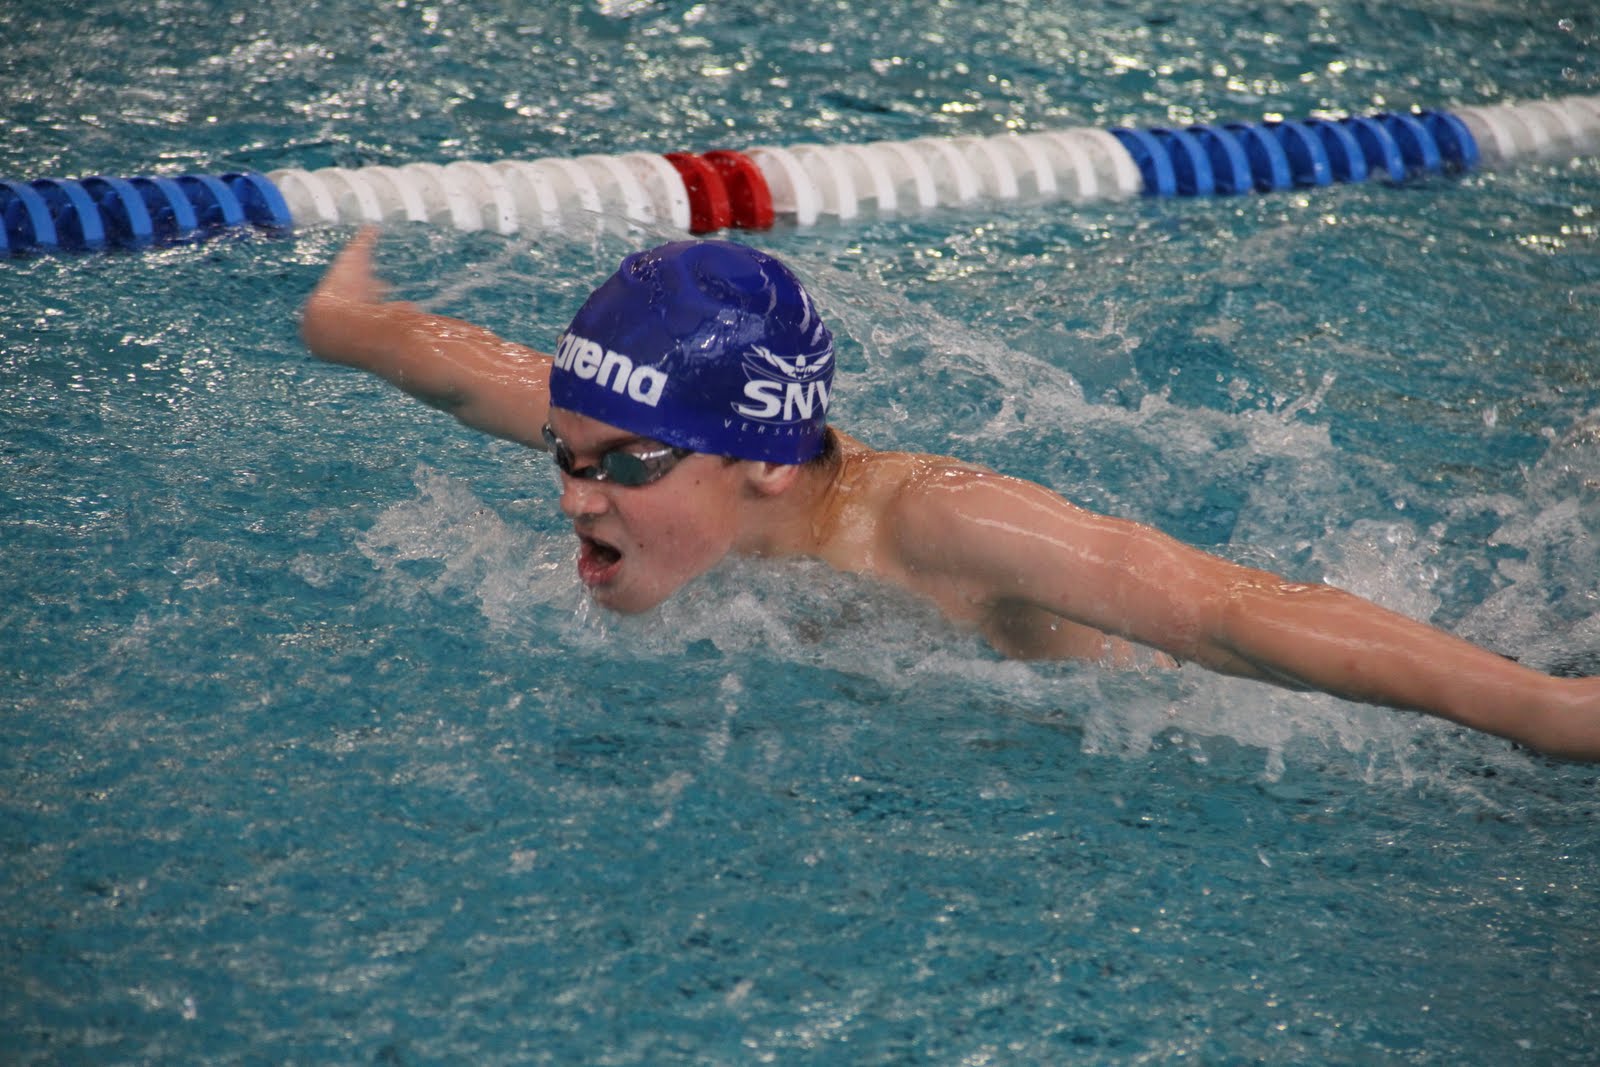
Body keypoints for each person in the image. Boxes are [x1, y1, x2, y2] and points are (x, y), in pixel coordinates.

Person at [300, 227, 1600, 761]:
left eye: (623, 467)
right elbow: (474, 374)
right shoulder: (646, 442)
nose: (577, 498)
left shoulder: (938, 528)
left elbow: (1226, 614)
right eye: (563, 455)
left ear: (763, 458)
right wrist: (348, 323)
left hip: (1189, 726)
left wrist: (1544, 712)